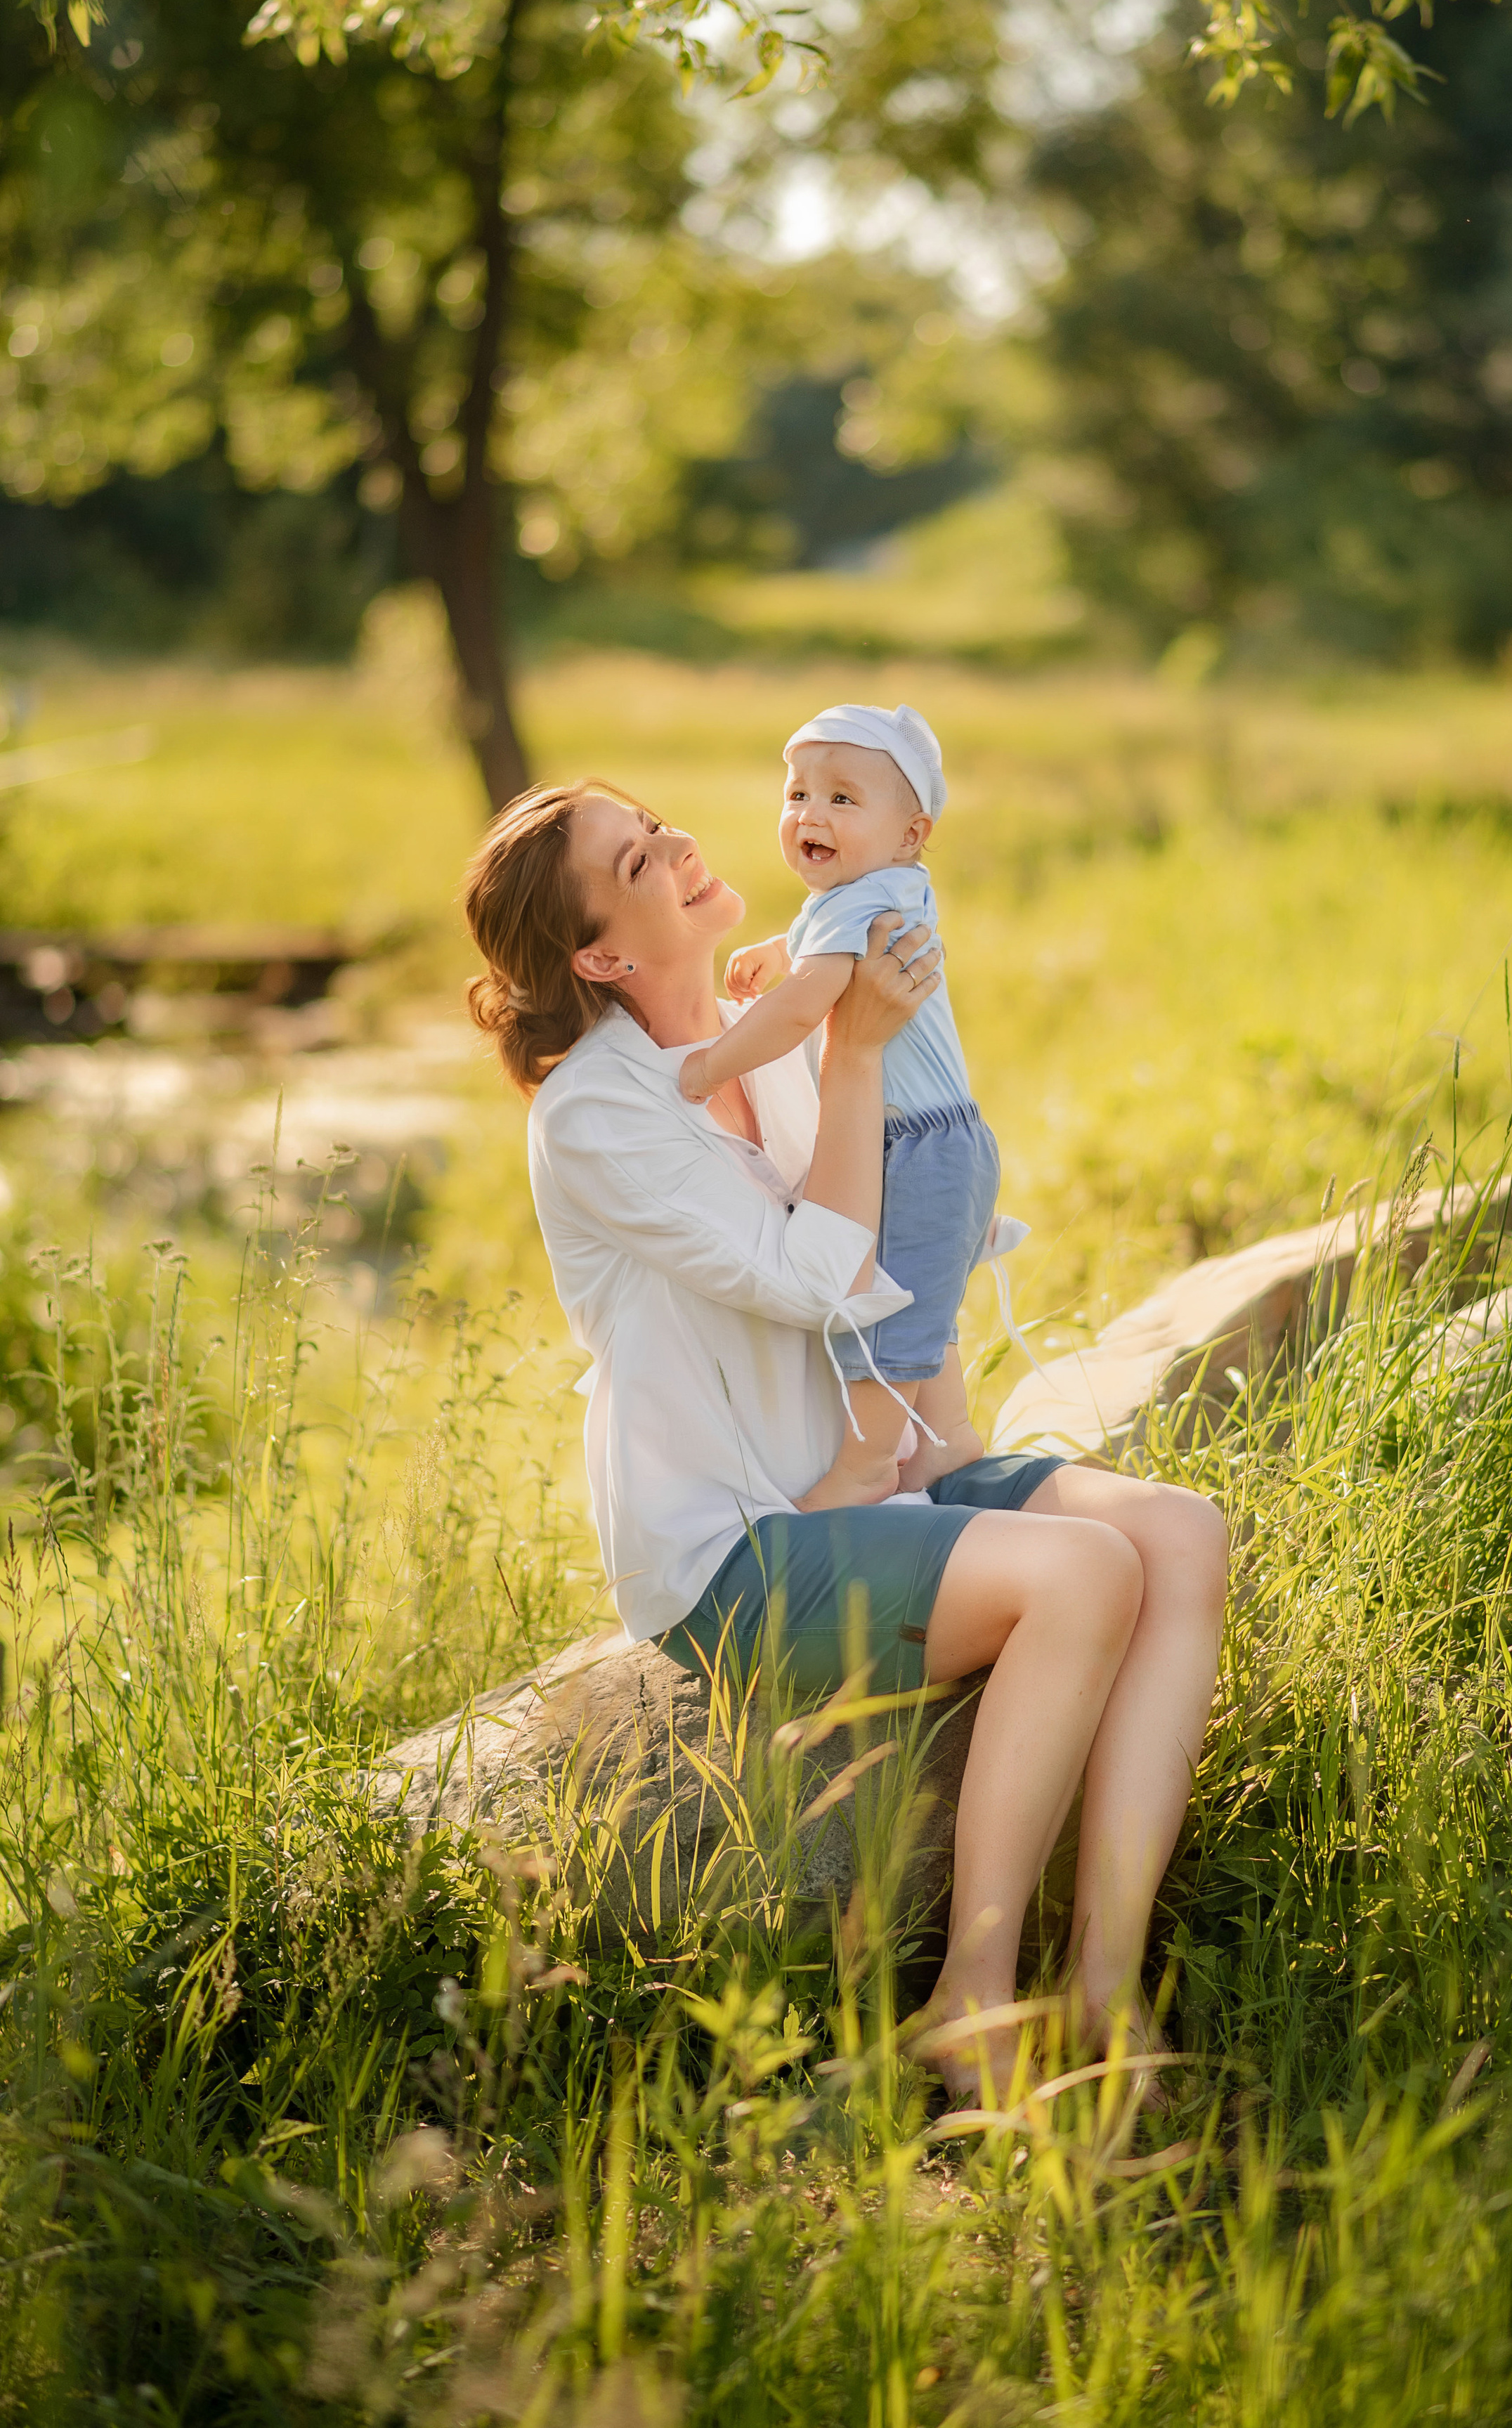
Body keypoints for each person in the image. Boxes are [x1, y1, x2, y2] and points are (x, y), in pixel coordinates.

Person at [462, 776, 1228, 2092]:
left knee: (1180, 1530)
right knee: (1085, 1574)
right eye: (641, 857)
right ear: (600, 953)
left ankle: (1103, 1987)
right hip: (743, 1542)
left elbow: (913, 1262)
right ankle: (974, 2002)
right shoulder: (597, 1113)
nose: (684, 843)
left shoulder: (780, 1034)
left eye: (660, 824)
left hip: (878, 1483)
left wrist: (949, 1445)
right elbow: (821, 1271)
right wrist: (859, 1048)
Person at [674, 701, 1005, 1508]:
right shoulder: (880, 889)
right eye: (796, 796)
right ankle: (948, 1441)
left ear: (910, 834)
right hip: (940, 1138)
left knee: (881, 1305)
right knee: (920, 1289)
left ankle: (866, 1463)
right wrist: (778, 949)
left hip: (914, 1144)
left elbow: (800, 1009)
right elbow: (824, 945)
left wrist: (707, 1064)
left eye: (841, 800)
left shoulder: (855, 903)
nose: (809, 815)